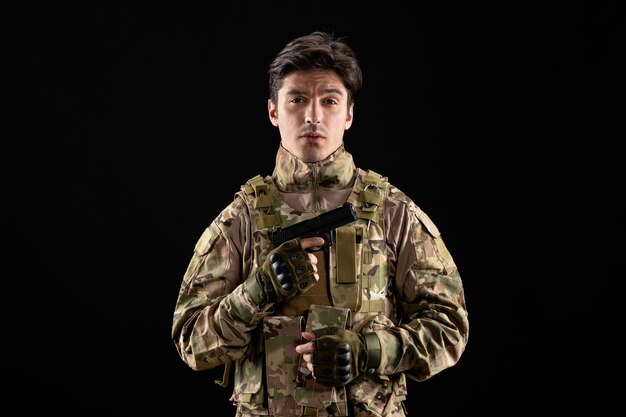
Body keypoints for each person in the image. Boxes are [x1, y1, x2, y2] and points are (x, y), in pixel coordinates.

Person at [171, 31, 469, 417]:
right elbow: (191, 343)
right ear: (273, 111)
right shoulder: (241, 220)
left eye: (329, 100)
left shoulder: (392, 213)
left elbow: (450, 328)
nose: (313, 115)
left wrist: (370, 351)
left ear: (348, 114)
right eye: (297, 99)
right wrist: (256, 293)